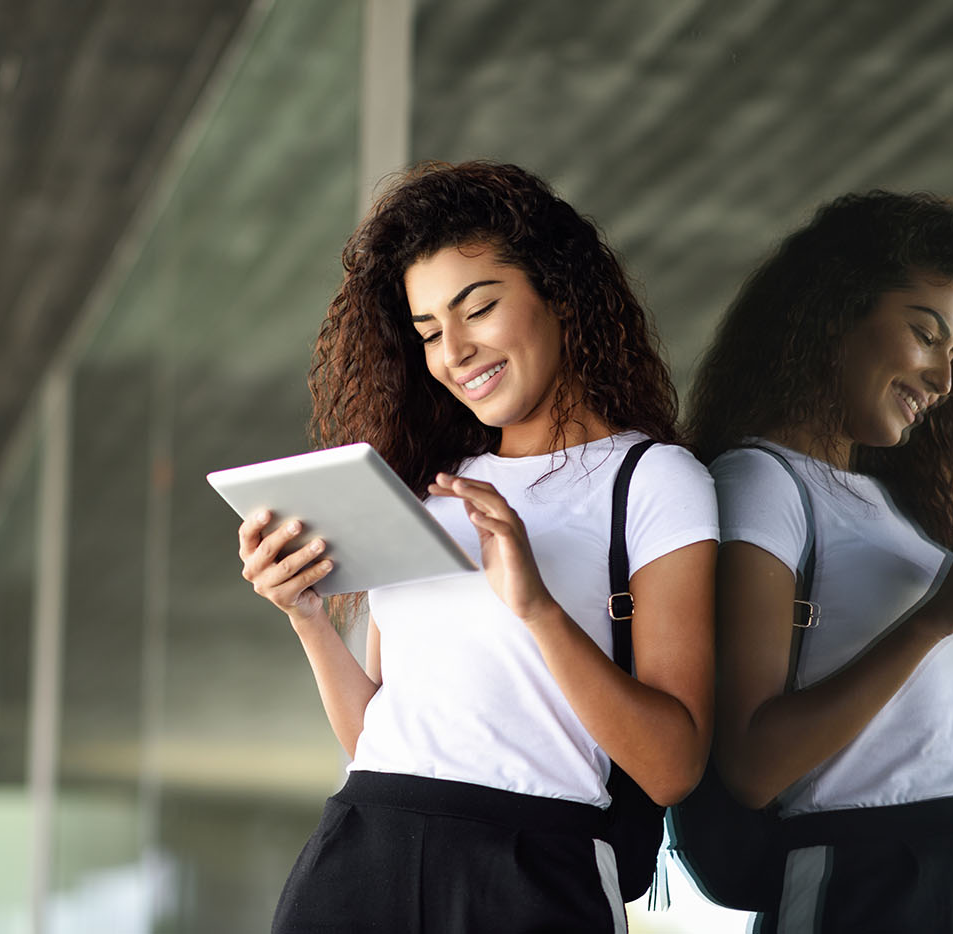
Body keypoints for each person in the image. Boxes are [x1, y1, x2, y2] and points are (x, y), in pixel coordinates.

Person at [238, 161, 719, 933]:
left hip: (532, 873)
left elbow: (672, 768)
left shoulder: (655, 480)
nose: (454, 350)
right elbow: (381, 737)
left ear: (560, 293)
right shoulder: (429, 488)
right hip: (358, 855)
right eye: (429, 331)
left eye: (479, 308)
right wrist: (307, 618)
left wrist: (536, 607)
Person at [684, 190, 953, 933]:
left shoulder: (883, 503)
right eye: (926, 335)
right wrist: (936, 617)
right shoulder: (760, 482)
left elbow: (912, 734)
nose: (946, 382)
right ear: (832, 313)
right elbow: (755, 764)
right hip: (867, 872)